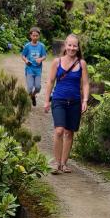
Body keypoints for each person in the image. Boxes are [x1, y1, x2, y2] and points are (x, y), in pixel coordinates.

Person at [42, 33, 90, 174]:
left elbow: (86, 83)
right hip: (59, 100)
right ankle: (56, 163)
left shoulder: (82, 63)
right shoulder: (57, 62)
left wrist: (85, 100)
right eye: (69, 45)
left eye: (75, 45)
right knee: (59, 130)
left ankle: (64, 163)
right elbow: (50, 81)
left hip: (75, 102)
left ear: (78, 47)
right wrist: (46, 101)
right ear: (65, 46)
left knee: (69, 133)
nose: (72, 48)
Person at [20, 27, 47, 106]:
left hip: (38, 70)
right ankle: (26, 103)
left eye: (37, 36)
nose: (35, 37)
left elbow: (44, 56)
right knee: (30, 87)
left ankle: (33, 95)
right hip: (29, 69)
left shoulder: (41, 46)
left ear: (39, 36)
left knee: (38, 87)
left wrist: (41, 59)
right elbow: (23, 55)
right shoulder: (27, 46)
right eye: (33, 35)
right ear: (30, 36)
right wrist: (26, 61)